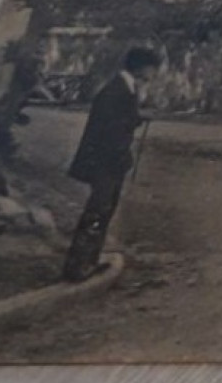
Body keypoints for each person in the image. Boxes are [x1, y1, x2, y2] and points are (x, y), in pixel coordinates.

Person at [63, 47, 160, 283]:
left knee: (103, 211)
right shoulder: (117, 91)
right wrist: (123, 156)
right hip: (105, 163)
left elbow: (121, 119)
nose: (153, 74)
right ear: (140, 68)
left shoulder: (126, 88)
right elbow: (111, 130)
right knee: (97, 212)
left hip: (109, 162)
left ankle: (88, 260)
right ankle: (78, 266)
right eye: (152, 69)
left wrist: (138, 118)